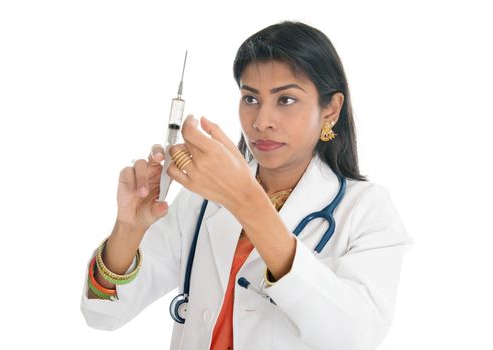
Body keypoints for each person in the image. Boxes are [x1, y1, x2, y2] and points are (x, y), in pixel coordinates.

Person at [80, 21, 412, 350]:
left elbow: (354, 336)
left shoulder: (366, 210)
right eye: (251, 99)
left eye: (286, 100)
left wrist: (246, 203)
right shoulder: (201, 200)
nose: (261, 121)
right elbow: (104, 313)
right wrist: (128, 228)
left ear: (331, 109)